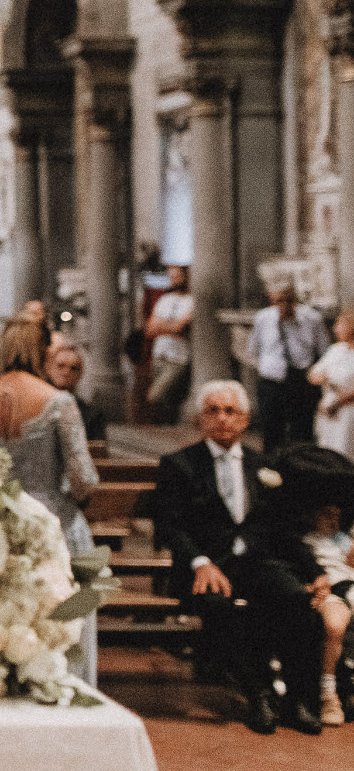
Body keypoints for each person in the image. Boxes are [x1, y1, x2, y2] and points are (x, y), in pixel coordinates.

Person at [147, 380, 329, 734]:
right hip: (205, 566)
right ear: (201, 419)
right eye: (213, 411)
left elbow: (285, 530)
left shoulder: (263, 467)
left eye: (231, 411)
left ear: (245, 420)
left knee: (295, 597)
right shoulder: (180, 464)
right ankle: (258, 693)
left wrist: (315, 570)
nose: (222, 419)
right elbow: (169, 525)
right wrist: (200, 561)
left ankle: (297, 701)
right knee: (219, 604)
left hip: (256, 564)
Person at [0, 321, 101, 684]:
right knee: (59, 617)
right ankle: (61, 685)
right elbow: (84, 476)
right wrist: (70, 496)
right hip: (51, 521)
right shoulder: (59, 402)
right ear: (42, 352)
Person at [248, 278, 331, 452]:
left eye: (289, 300)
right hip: (272, 382)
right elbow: (253, 349)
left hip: (301, 381)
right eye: (279, 301)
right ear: (272, 300)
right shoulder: (263, 318)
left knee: (302, 432)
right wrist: (266, 368)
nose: (285, 305)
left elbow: (325, 351)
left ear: (295, 299)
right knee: (272, 432)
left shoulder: (312, 318)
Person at [301, 503, 354, 725]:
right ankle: (328, 695)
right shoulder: (306, 540)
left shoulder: (344, 539)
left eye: (337, 516)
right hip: (329, 590)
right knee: (334, 625)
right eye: (327, 515)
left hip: (351, 584)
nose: (333, 521)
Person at [146, 265, 194, 418]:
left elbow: (180, 328)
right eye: (171, 277)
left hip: (178, 358)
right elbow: (150, 329)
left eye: (177, 277)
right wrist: (171, 326)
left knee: (156, 396)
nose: (174, 281)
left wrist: (163, 326)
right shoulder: (165, 299)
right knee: (166, 401)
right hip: (160, 354)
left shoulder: (192, 301)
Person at [309, 308, 354, 459]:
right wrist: (321, 376)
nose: (336, 329)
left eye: (340, 324)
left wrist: (339, 402)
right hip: (328, 408)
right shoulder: (336, 350)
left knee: (344, 453)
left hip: (348, 411)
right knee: (326, 452)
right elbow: (313, 374)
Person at [46, 336, 108, 443]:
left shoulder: (92, 415)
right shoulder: (38, 406)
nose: (66, 372)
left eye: (73, 368)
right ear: (49, 368)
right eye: (61, 366)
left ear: (80, 374)